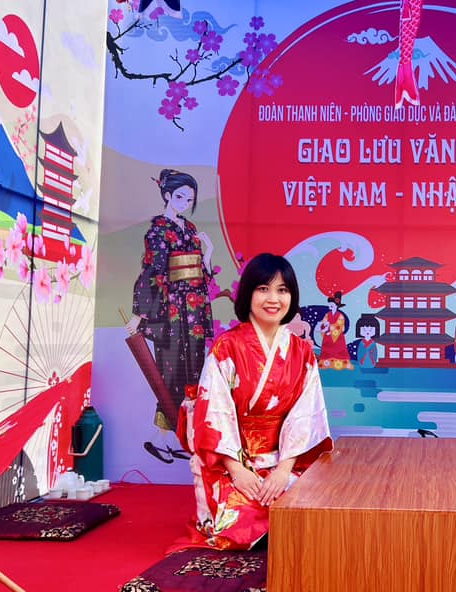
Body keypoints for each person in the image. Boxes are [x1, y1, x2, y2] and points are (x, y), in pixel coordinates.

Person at [176, 253, 333, 550]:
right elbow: (215, 413)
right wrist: (238, 471)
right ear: (248, 293)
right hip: (231, 463)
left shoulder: (301, 352)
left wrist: (283, 471)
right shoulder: (227, 347)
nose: (273, 299)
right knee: (241, 519)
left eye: (282, 290)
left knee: (311, 509)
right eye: (263, 289)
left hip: (284, 461)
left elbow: (305, 417)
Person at [129, 169, 215, 462]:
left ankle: (177, 437)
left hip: (193, 311)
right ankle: (161, 438)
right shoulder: (158, 231)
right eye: (179, 197)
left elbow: (201, 275)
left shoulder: (190, 229)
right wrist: (140, 314)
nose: (184, 203)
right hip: (173, 311)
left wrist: (208, 253)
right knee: (170, 373)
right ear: (167, 195)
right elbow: (152, 271)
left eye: (189, 199)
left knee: (193, 373)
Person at [316, 291, 354, 369]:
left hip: (337, 337)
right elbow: (323, 323)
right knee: (327, 352)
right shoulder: (327, 315)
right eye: (329, 304)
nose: (330, 306)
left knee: (338, 352)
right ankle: (326, 364)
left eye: (332, 305)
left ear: (336, 306)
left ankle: (341, 364)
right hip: (328, 337)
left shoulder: (340, 315)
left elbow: (340, 326)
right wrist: (323, 327)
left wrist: (329, 327)